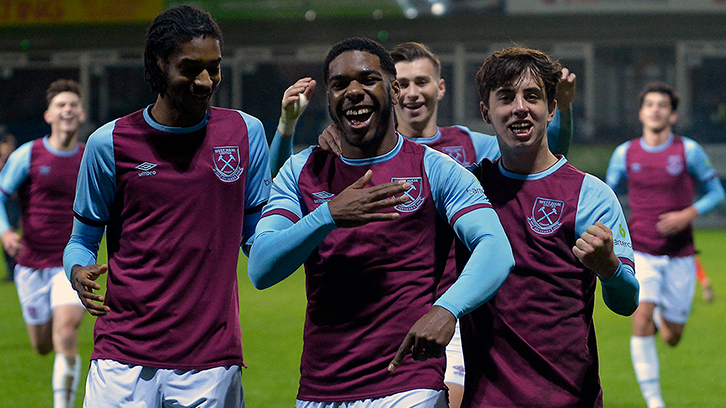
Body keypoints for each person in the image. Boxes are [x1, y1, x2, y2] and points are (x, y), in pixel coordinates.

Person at [273, 41, 576, 408]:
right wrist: (293, 132)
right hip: (334, 362)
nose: (414, 92)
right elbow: (287, 200)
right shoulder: (332, 154)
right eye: (407, 82)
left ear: (439, 87)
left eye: (423, 82)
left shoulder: (460, 151)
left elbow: (542, 154)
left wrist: (564, 112)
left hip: (445, 310)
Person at [62, 5, 271, 407]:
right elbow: (81, 240)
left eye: (215, 67)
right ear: (159, 64)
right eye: (191, 68)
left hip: (211, 361)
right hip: (121, 357)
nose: (207, 81)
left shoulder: (246, 133)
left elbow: (257, 241)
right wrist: (77, 269)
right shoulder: (110, 143)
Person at [459, 47, 639, 407]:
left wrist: (609, 268)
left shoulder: (590, 194)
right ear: (486, 111)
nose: (520, 108)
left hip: (569, 397)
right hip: (487, 400)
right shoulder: (466, 189)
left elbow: (627, 301)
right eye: (506, 97)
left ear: (552, 109)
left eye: (532, 96)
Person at [606, 81, 725, 408]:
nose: (655, 109)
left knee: (672, 337)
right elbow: (606, 193)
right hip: (640, 250)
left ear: (672, 115)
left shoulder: (688, 151)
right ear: (642, 113)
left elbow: (717, 194)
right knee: (641, 316)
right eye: (650, 104)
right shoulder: (625, 153)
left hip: (680, 256)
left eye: (662, 105)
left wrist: (687, 214)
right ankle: (655, 402)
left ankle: (663, 316)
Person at [0, 79, 87, 408]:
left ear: (81, 113)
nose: (67, 110)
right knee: (42, 345)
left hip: (71, 264)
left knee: (66, 333)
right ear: (49, 114)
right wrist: (6, 232)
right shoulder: (29, 154)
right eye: (60, 105)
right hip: (31, 265)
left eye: (72, 105)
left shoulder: (89, 156)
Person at [0, 129, 19, 282]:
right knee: (8, 234)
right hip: (5, 203)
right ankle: (11, 269)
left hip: (13, 204)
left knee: (15, 235)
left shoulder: (15, 162)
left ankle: (15, 269)